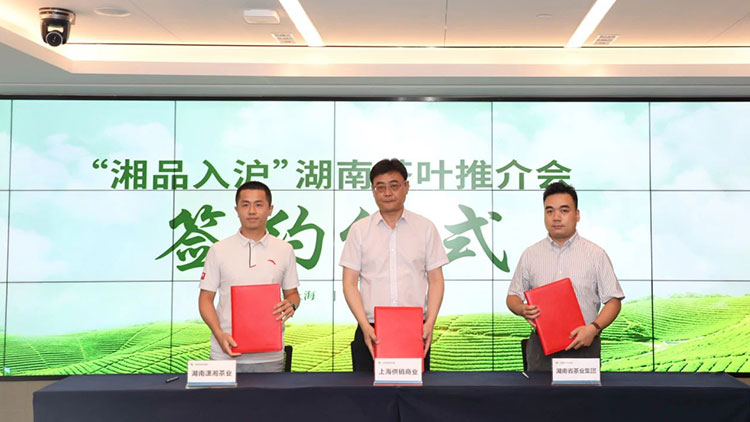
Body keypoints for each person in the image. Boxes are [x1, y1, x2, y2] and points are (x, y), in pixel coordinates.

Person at [340, 158, 449, 372]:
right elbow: (349, 283)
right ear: (373, 191)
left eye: (394, 185)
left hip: (414, 330)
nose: (387, 193)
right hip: (371, 329)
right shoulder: (359, 230)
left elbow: (436, 280)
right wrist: (364, 325)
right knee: (366, 392)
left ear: (406, 187)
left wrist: (429, 323)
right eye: (380, 187)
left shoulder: (425, 228)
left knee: (414, 392)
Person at [506, 182, 624, 371]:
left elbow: (613, 301)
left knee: (583, 394)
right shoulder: (530, 254)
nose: (556, 217)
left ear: (577, 215)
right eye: (549, 211)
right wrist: (521, 309)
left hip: (584, 344)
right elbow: (512, 296)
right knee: (537, 392)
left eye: (564, 210)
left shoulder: (596, 254)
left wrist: (593, 329)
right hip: (541, 349)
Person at [198, 181, 300, 373]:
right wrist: (219, 334)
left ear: (270, 209)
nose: (252, 211)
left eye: (258, 205)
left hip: (269, 355)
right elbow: (205, 299)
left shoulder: (284, 250)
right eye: (245, 205)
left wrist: (291, 304)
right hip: (225, 353)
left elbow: (292, 294)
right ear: (236, 210)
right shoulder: (218, 250)